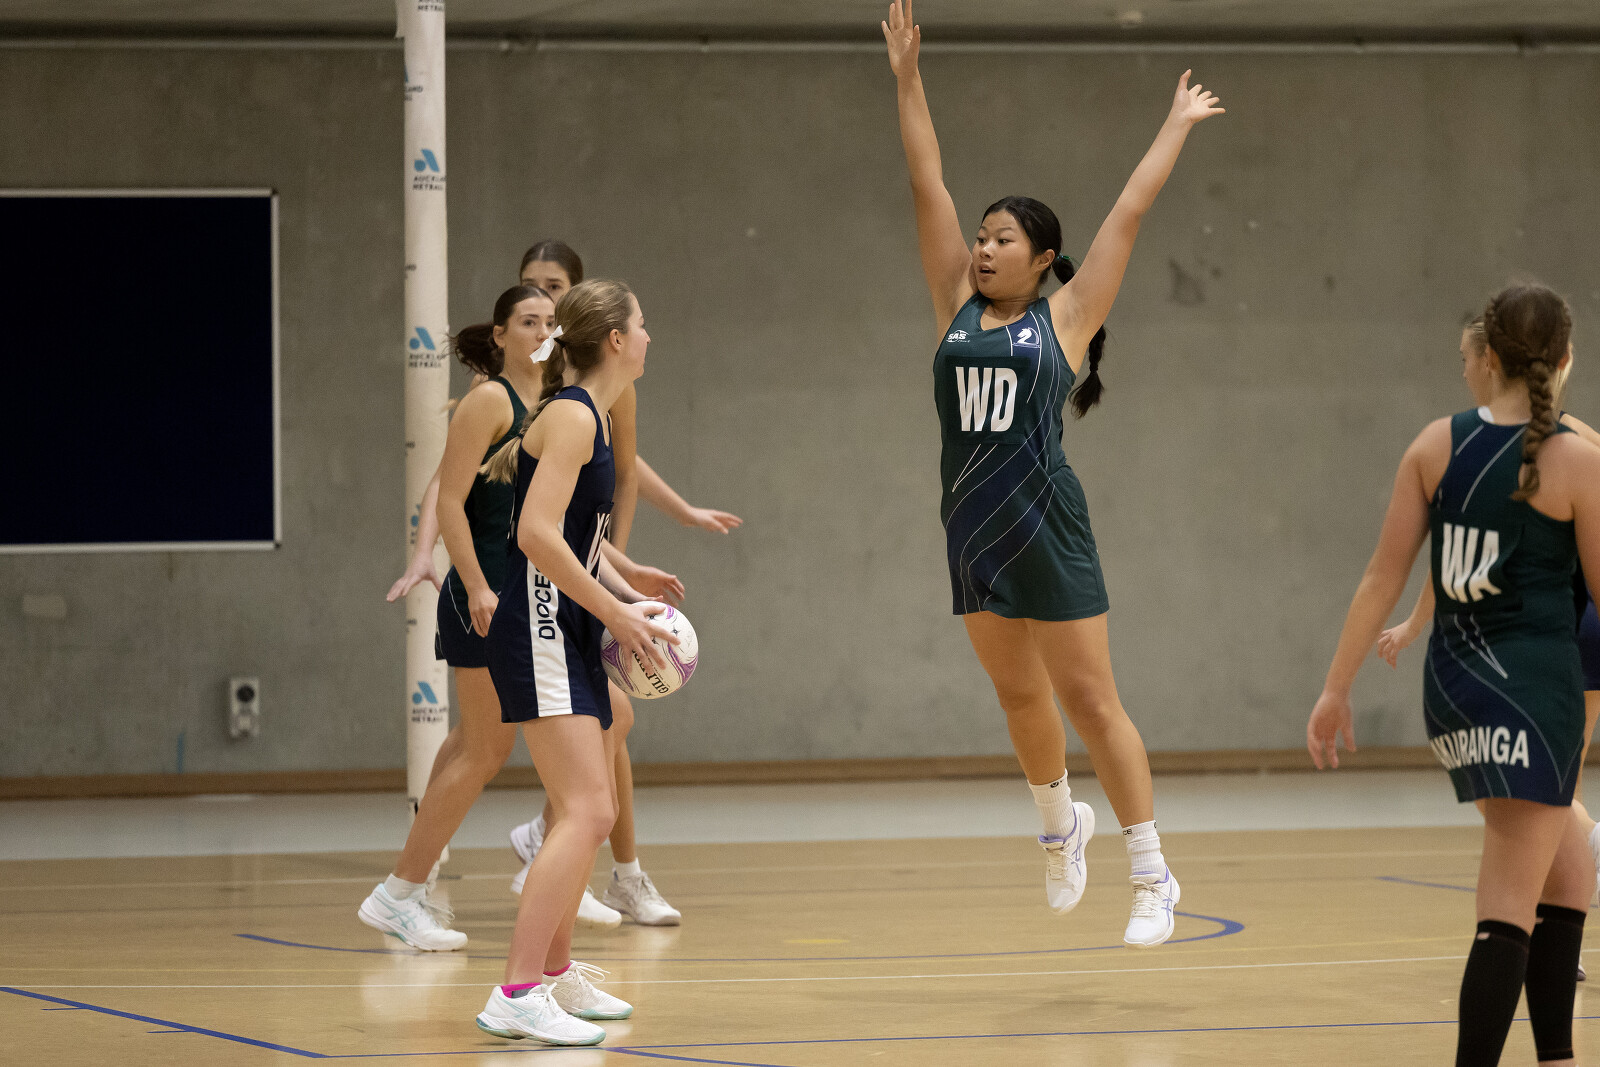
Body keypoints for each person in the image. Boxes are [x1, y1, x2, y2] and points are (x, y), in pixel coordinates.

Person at [882, 0, 1222, 946]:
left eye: (1001, 239)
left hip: (1046, 523)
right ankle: (1059, 825)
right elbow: (925, 179)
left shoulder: (1065, 319)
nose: (983, 247)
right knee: (1019, 697)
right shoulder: (954, 303)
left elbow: (1129, 211)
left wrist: (1174, 125)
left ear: (1041, 260)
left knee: (1091, 700)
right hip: (970, 526)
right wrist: (908, 79)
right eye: (980, 236)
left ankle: (1151, 871)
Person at [1308, 285, 1600, 1067]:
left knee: (1571, 865)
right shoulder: (1578, 458)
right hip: (1533, 693)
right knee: (1508, 902)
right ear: (1564, 359)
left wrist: (1336, 687)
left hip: (1454, 689)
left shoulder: (1435, 445)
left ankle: (1558, 1056)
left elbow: (1381, 578)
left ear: (1488, 356)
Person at [359, 286, 679, 949]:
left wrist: (623, 576)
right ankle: (408, 891)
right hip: (495, 597)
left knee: (581, 730)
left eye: (548, 320)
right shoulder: (494, 402)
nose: (540, 330)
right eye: (527, 321)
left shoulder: (563, 406)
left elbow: (572, 528)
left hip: (542, 599)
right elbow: (452, 501)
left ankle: (538, 861)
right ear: (501, 334)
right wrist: (474, 584)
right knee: (485, 750)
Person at [474, 279, 675, 1045]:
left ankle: (554, 972)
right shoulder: (572, 416)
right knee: (591, 809)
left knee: (581, 805)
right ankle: (517, 990)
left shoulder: (593, 414)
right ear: (616, 340)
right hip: (541, 629)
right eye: (642, 323)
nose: (649, 335)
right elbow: (534, 532)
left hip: (567, 628)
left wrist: (627, 579)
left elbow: (574, 535)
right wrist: (615, 610)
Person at [1377, 320, 1600, 982]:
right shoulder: (1576, 443)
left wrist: (1416, 621)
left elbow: (1463, 553)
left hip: (1555, 629)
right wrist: (1416, 621)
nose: (1465, 370)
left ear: (1494, 363)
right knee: (1555, 784)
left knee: (1545, 794)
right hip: (1566, 626)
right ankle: (1562, 922)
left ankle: (1570, 886)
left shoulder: (1499, 448)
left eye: (1467, 358)